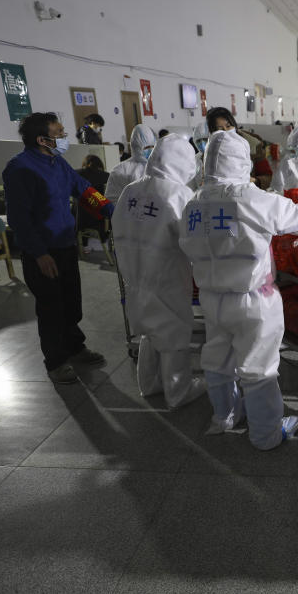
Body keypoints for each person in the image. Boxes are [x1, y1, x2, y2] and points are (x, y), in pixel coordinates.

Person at [179, 129, 298, 450]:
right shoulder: (254, 198)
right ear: (241, 162)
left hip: (212, 299)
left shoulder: (193, 203)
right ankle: (266, 434)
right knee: (259, 369)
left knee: (217, 360)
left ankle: (224, 416)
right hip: (253, 300)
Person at [3, 112, 112, 384]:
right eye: (60, 134)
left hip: (65, 245)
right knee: (51, 307)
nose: (65, 138)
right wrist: (39, 253)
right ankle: (56, 361)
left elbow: (85, 190)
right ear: (42, 139)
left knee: (71, 302)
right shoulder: (20, 169)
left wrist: (112, 210)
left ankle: (75, 347)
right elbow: (19, 218)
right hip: (43, 251)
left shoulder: (57, 162)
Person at [112, 135, 205, 409]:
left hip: (135, 276)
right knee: (173, 334)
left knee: (149, 333)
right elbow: (193, 241)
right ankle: (178, 392)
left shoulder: (132, 190)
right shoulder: (179, 194)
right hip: (166, 277)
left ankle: (149, 385)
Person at [206, 108, 273, 188]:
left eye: (228, 126)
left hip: (249, 192)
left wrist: (254, 181)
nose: (226, 131)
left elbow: (267, 176)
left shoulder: (253, 145)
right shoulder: (211, 148)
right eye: (220, 129)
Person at [104, 124, 157, 203]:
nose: (150, 151)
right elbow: (112, 200)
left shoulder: (159, 165)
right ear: (135, 147)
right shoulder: (121, 169)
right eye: (146, 148)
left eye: (152, 147)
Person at [76, 155, 110, 250]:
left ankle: (82, 245)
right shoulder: (106, 175)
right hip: (102, 219)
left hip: (82, 219)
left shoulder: (76, 173)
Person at [187, 121, 209, 191]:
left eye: (205, 139)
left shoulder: (221, 157)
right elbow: (190, 185)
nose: (202, 144)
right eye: (198, 141)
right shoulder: (193, 160)